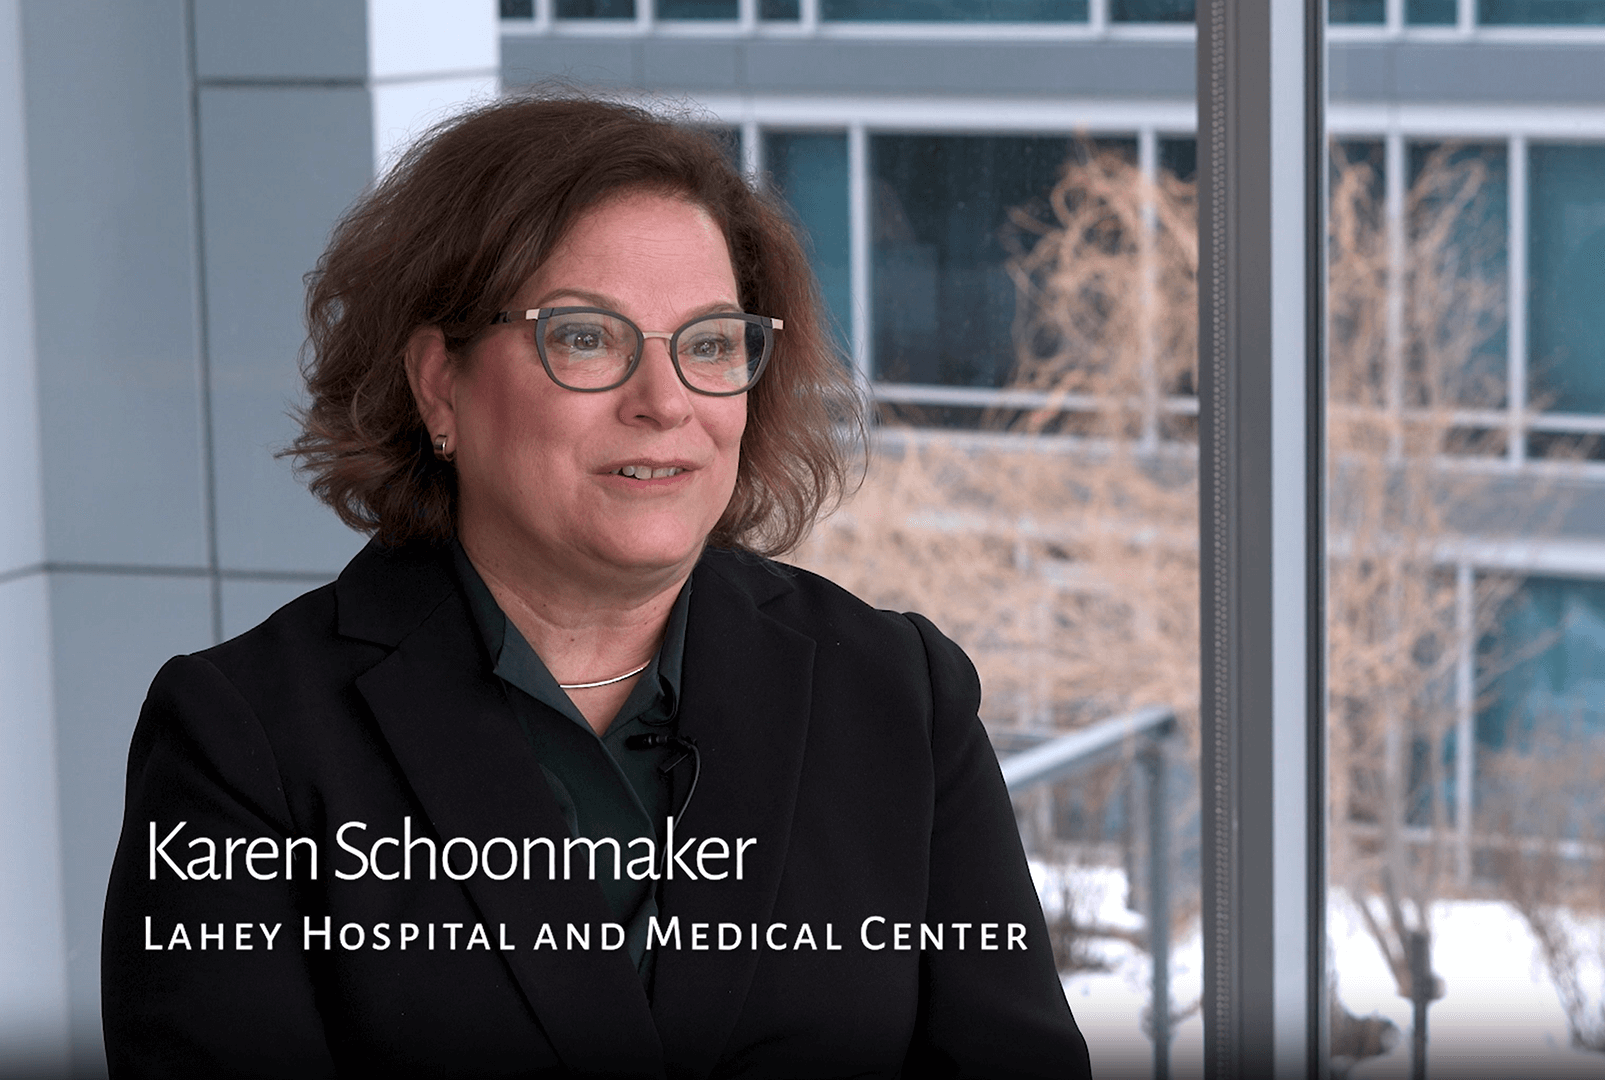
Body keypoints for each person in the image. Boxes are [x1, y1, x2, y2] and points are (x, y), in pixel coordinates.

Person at [100, 94, 1091, 1079]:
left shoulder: (898, 692)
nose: (664, 404)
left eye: (707, 344)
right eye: (585, 338)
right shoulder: (243, 740)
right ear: (440, 385)